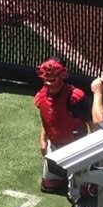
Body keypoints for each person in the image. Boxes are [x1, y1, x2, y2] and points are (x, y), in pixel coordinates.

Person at [34, 59, 91, 193]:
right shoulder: (41, 97)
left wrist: (92, 154)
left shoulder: (75, 97)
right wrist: (43, 140)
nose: (49, 80)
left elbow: (93, 125)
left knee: (83, 191)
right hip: (55, 147)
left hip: (77, 148)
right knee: (49, 185)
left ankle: (86, 172)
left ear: (62, 75)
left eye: (53, 76)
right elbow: (47, 119)